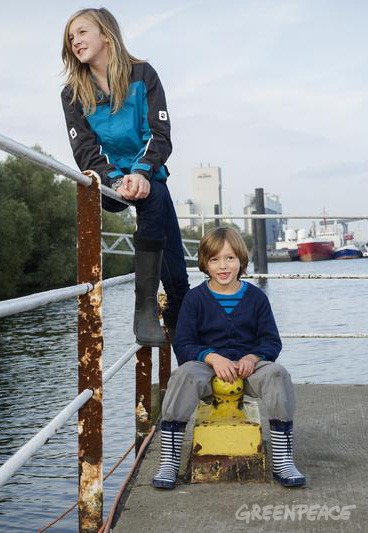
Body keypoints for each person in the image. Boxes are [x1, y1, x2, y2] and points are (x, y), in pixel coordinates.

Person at [61, 7, 189, 347]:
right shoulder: (72, 94)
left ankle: (178, 340)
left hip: (147, 175)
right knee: (152, 195)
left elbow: (160, 134)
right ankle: (147, 304)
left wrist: (142, 172)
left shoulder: (143, 75)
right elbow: (86, 151)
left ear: (105, 34)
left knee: (178, 279)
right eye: (71, 37)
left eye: (82, 32)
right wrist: (117, 179)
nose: (75, 41)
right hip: (106, 181)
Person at [152, 226, 306, 489]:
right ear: (205, 263)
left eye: (230, 258)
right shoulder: (195, 299)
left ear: (241, 261)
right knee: (182, 375)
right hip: (207, 367)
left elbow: (271, 341)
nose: (223, 266)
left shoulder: (256, 298)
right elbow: (184, 343)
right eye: (215, 259)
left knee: (277, 374)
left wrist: (254, 357)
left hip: (249, 371)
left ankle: (283, 459)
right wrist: (211, 357)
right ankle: (169, 461)